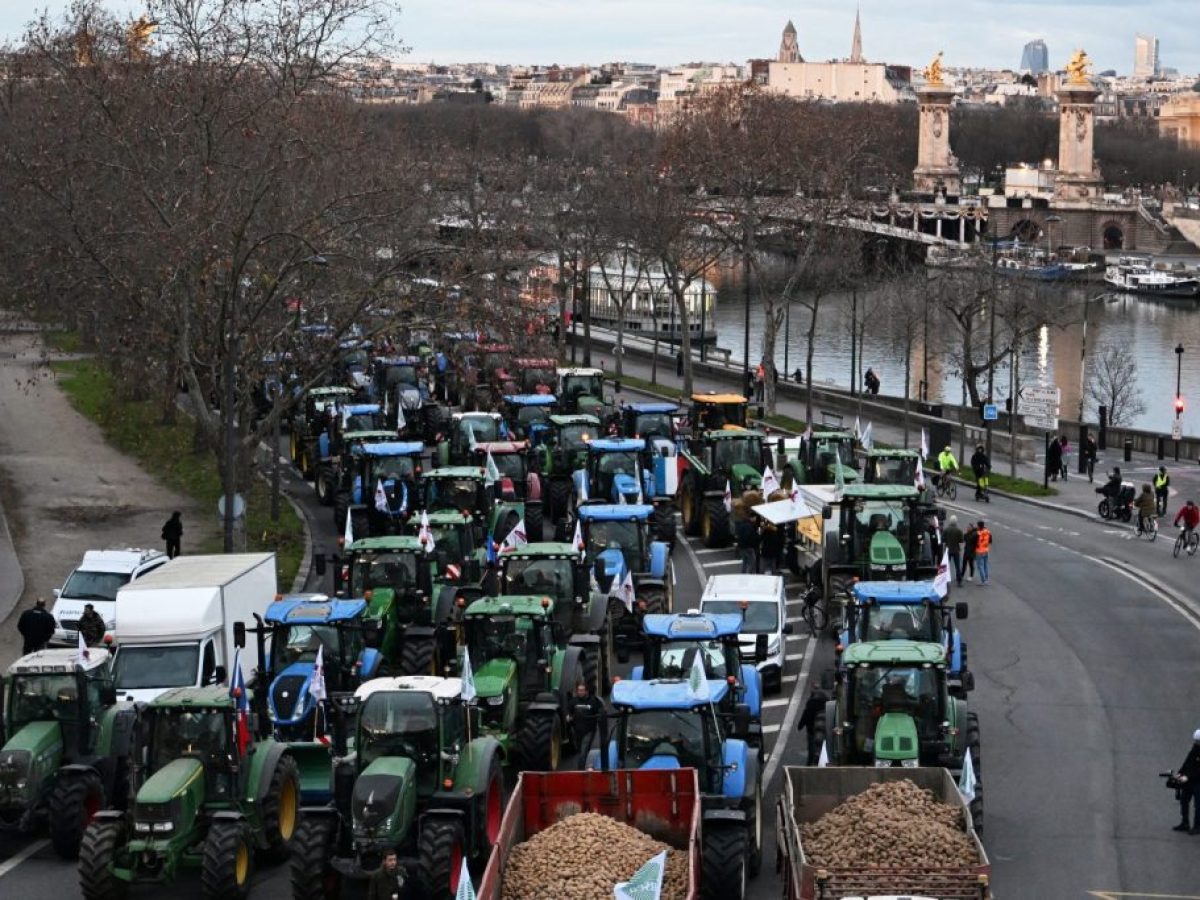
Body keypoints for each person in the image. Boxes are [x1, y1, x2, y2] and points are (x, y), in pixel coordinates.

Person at [1170, 729, 1200, 834]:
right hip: (1189, 781)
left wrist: (1188, 776)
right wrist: (1180, 773)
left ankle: (1197, 826)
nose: (1196, 743)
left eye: (1198, 741)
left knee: (1198, 805)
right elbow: (1188, 762)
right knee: (1184, 801)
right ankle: (1185, 823)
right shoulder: (1195, 749)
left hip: (1198, 782)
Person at [568, 681, 604, 764]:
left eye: (582, 690)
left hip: (589, 731)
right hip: (577, 731)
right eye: (579, 690)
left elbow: (600, 711)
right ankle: (586, 764)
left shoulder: (593, 701)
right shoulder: (573, 701)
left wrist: (599, 717)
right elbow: (569, 711)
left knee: (583, 751)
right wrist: (569, 717)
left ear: (586, 691)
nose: (580, 692)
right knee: (580, 751)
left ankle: (580, 769)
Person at [943, 515, 965, 587]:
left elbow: (943, 539)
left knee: (946, 566)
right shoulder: (958, 530)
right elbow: (961, 540)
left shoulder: (946, 530)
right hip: (956, 550)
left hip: (948, 549)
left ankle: (945, 581)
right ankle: (959, 581)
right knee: (957, 566)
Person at [974, 520, 992, 585]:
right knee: (985, 565)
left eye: (977, 525)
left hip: (979, 551)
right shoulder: (987, 531)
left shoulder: (978, 533)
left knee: (980, 566)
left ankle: (983, 580)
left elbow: (974, 542)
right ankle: (986, 579)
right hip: (986, 550)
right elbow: (990, 541)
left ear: (979, 526)